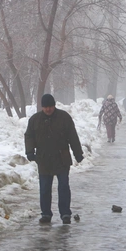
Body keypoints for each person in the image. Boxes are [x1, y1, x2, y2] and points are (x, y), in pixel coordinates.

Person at [25, 94, 84, 224]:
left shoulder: (64, 118)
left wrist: (78, 153)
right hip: (44, 159)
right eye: (45, 107)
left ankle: (65, 214)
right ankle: (46, 213)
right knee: (45, 188)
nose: (48, 109)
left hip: (61, 158)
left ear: (54, 105)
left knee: (63, 187)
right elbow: (29, 136)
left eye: (50, 106)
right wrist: (29, 151)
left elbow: (73, 136)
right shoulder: (35, 120)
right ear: (42, 107)